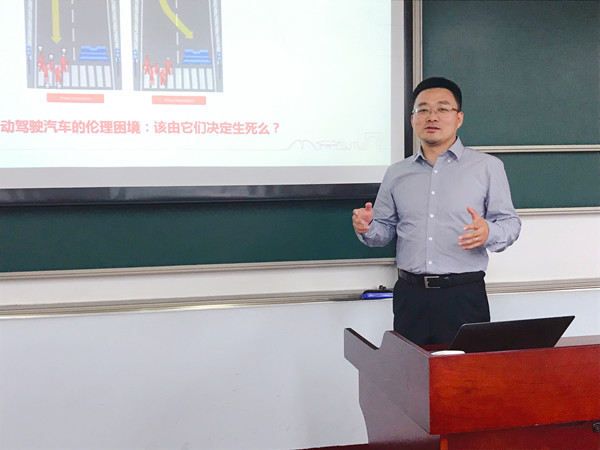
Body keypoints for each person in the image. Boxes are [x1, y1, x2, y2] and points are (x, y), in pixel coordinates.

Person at [352, 77, 521, 345]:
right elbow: (382, 233)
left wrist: (488, 232)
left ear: (459, 118)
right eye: (423, 110)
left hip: (463, 295)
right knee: (410, 369)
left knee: (466, 369)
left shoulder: (487, 167)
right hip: (410, 296)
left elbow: (510, 224)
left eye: (442, 109)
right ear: (413, 120)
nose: (432, 117)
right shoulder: (396, 173)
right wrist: (368, 227)